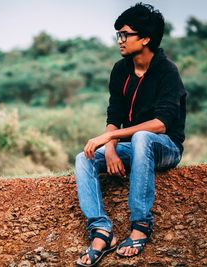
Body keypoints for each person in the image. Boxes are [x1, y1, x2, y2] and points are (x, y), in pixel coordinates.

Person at [75, 2, 187, 266]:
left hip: (165, 147)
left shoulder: (167, 71)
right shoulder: (121, 69)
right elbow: (114, 116)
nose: (120, 40)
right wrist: (110, 146)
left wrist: (111, 138)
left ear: (146, 38)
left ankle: (141, 225)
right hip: (131, 145)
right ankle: (102, 231)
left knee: (142, 137)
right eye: (118, 34)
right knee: (85, 157)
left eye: (125, 34)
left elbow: (161, 124)